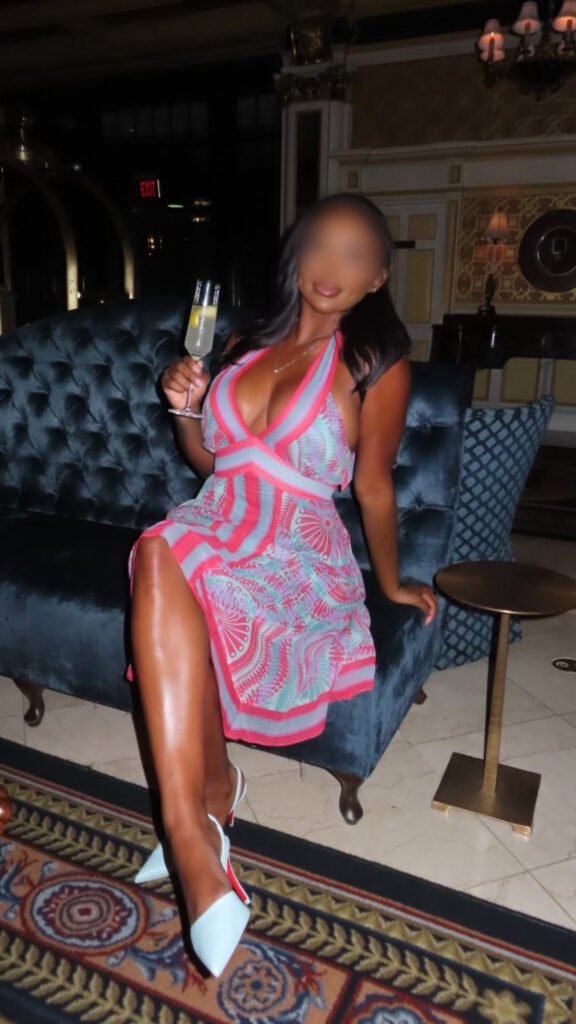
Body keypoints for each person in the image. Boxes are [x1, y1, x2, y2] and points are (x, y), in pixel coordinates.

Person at [129, 193, 437, 977]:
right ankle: (200, 821)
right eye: (320, 247)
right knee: (164, 549)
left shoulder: (373, 364)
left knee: (165, 554)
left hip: (297, 551)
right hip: (218, 520)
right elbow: (213, 462)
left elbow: (373, 486)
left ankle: (196, 822)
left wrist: (392, 585)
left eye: (354, 256)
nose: (331, 268)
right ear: (296, 255)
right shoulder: (239, 344)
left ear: (378, 277)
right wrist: (186, 409)